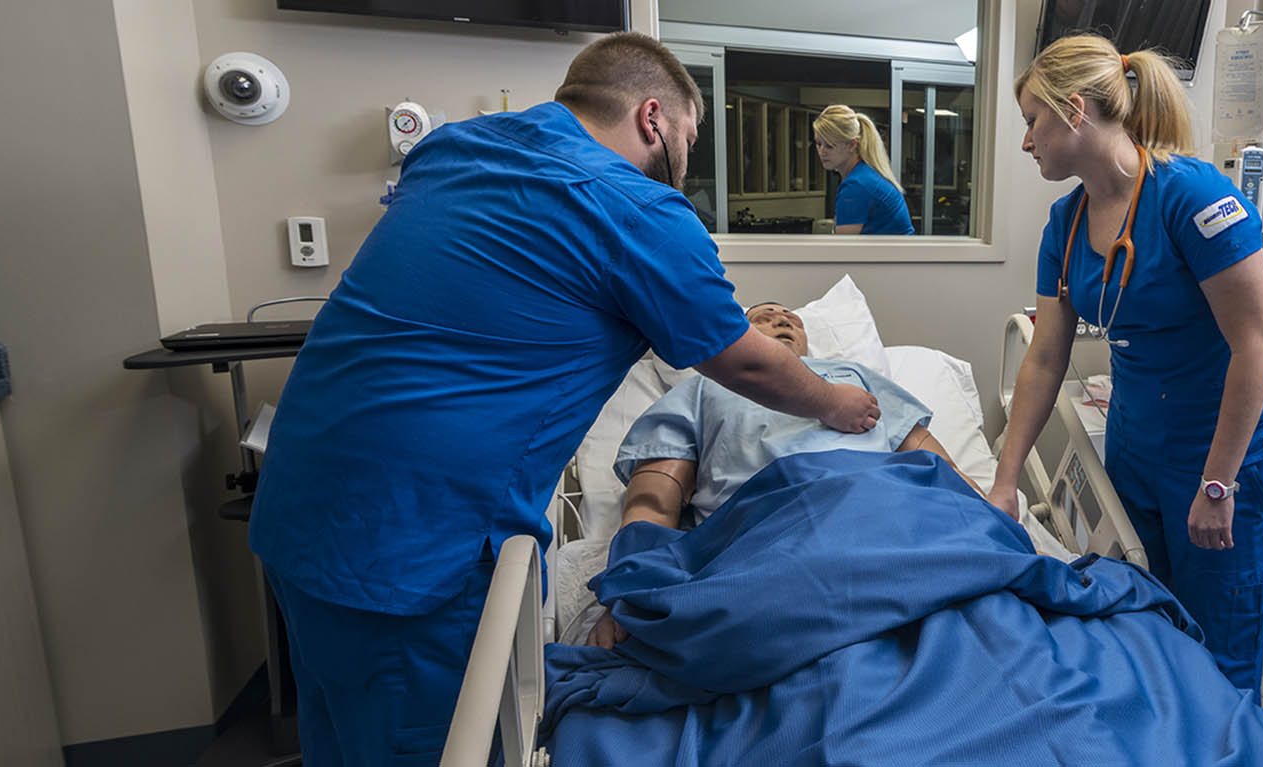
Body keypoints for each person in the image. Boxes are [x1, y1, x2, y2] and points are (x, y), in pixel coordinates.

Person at [247, 33, 883, 766]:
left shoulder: (459, 151)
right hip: (411, 548)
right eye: (689, 136)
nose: (686, 157)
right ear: (653, 119)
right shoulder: (636, 209)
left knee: (341, 735)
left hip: (300, 503)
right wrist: (835, 402)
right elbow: (744, 363)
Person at [987, 35, 1263, 698]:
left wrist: (1218, 484)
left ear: (1074, 112)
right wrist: (1005, 479)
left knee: (1218, 643)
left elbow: (1257, 345)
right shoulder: (1065, 225)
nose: (1025, 142)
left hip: (1217, 451)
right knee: (1140, 624)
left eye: (1031, 122)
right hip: (1134, 447)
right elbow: (1045, 355)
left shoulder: (1192, 196)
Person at [584, 301, 990, 648]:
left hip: (887, 512)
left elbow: (944, 470)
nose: (782, 320)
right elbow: (652, 502)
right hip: (770, 530)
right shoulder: (702, 389)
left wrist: (1002, 537)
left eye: (792, 319)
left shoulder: (854, 376)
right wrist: (630, 594)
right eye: (764, 317)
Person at [813, 105, 915, 235]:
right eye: (818, 143)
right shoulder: (864, 174)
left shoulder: (856, 185)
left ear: (852, 145)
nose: (822, 152)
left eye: (829, 145)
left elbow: (842, 250)